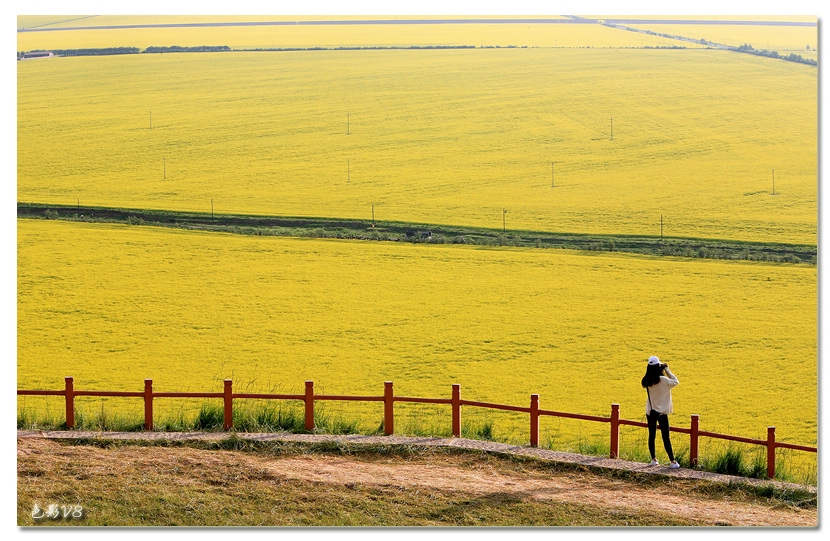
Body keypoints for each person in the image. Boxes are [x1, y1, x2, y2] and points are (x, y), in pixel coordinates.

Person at [641, 355, 680, 468]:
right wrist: (666, 369)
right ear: (658, 366)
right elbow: (675, 381)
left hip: (651, 412)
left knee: (651, 435)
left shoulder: (647, 380)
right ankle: (672, 461)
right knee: (665, 437)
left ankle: (653, 459)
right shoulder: (663, 380)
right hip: (662, 413)